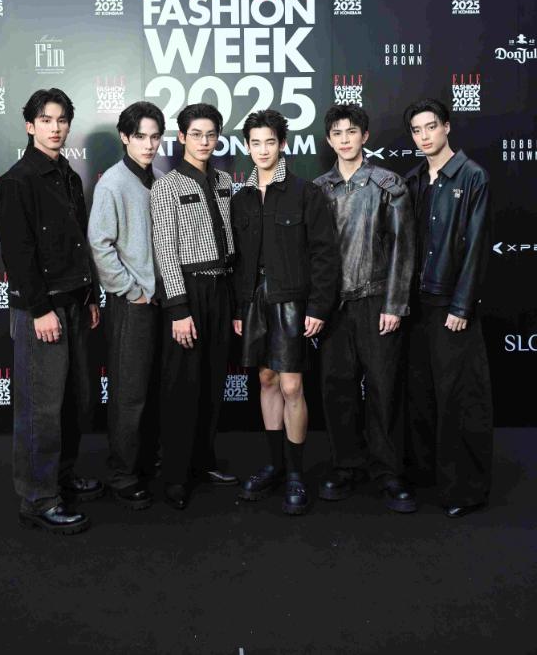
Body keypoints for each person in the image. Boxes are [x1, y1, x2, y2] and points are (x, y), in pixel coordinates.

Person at [0, 88, 101, 534]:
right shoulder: (16, 181)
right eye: (46, 120)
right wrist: (40, 309)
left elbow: (78, 244)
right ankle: (38, 499)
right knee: (41, 407)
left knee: (73, 400)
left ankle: (61, 475)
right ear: (30, 125)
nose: (55, 128)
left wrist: (90, 296)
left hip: (74, 300)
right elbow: (18, 255)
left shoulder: (68, 176)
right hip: (42, 308)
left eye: (61, 120)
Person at [233, 110, 336, 515]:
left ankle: (295, 472)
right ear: (247, 146)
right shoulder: (240, 199)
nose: (263, 150)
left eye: (270, 142)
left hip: (293, 300)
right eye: (255, 143)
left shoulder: (304, 192)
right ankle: (274, 465)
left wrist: (319, 306)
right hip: (254, 302)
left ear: (282, 144)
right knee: (266, 379)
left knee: (292, 387)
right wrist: (240, 307)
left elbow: (324, 254)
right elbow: (239, 262)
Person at [315, 104, 416, 513]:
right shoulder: (318, 189)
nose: (344, 139)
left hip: (377, 301)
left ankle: (389, 471)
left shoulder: (388, 184)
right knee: (337, 388)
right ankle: (346, 465)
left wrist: (394, 303)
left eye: (351, 132)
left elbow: (403, 248)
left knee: (383, 387)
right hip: (332, 306)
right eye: (337, 133)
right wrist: (316, 306)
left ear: (365, 136)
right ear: (329, 140)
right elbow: (312, 255)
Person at [403, 98, 493, 518]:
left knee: (459, 398)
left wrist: (462, 305)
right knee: (421, 395)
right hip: (416, 304)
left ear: (447, 127)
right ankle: (427, 479)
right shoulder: (414, 179)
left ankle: (465, 490)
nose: (424, 136)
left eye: (431, 127)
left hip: (451, 305)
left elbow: (477, 247)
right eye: (417, 130)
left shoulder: (473, 177)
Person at [150, 103, 238, 510]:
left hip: (222, 287)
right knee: (182, 386)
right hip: (188, 290)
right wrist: (178, 309)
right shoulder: (166, 186)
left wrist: (236, 305)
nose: (204, 142)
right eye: (196, 134)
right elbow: (165, 251)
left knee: (213, 380)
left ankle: (204, 463)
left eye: (211, 134)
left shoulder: (225, 181)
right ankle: (176, 475)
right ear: (182, 137)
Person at [88, 101, 165, 510]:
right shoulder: (113, 183)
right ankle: (122, 475)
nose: (149, 145)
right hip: (132, 305)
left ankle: (145, 462)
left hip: (162, 303)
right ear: (125, 137)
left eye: (155, 137)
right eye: (140, 137)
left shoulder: (160, 180)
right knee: (129, 393)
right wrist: (131, 291)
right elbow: (100, 245)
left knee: (153, 389)